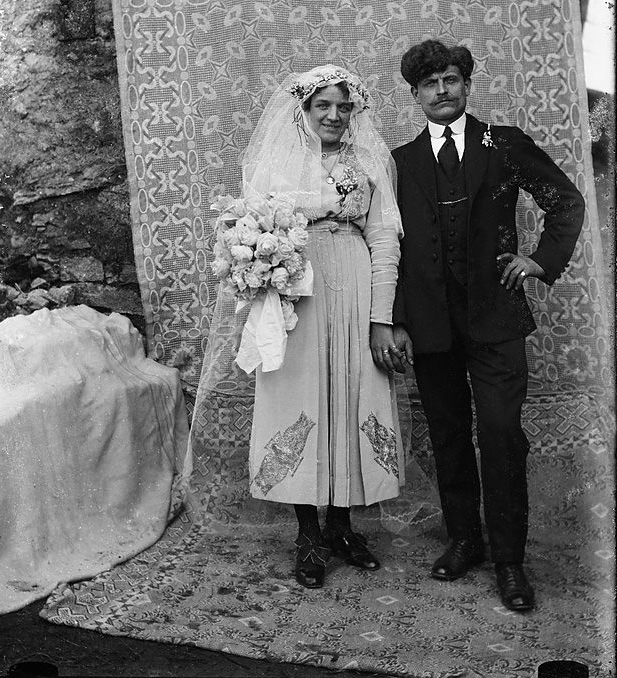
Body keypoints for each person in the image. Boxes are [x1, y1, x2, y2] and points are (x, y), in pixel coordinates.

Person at [378, 39, 585, 612]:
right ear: (414, 95)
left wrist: (538, 261)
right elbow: (386, 248)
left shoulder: (504, 143)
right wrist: (394, 322)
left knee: (499, 435)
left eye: (449, 80)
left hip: (496, 321)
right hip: (431, 325)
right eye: (428, 85)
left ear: (466, 85)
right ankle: (464, 539)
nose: (441, 92)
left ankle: (510, 562)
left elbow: (565, 202)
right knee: (446, 436)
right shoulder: (400, 162)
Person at [237, 64, 406, 589]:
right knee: (302, 398)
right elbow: (253, 224)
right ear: (304, 111)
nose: (333, 116)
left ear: (353, 113)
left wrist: (381, 319)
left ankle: (342, 528)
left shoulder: (369, 163)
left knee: (351, 395)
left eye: (343, 107)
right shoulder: (277, 166)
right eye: (322, 106)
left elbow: (384, 243)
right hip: (298, 289)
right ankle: (308, 533)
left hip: (355, 284)